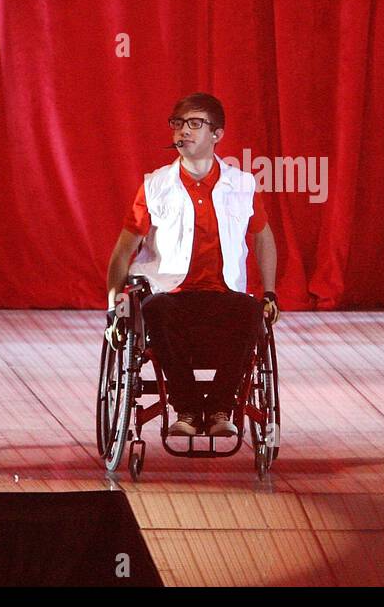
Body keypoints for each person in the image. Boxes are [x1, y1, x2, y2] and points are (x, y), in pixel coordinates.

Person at [104, 93, 279, 437]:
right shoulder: (155, 185)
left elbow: (263, 239)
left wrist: (270, 292)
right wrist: (113, 303)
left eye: (194, 124)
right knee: (157, 310)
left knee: (250, 312)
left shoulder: (241, 185)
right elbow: (124, 248)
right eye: (178, 123)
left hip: (223, 293)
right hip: (170, 294)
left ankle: (218, 409)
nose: (183, 131)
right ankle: (185, 409)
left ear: (217, 134)